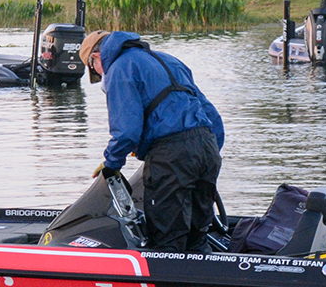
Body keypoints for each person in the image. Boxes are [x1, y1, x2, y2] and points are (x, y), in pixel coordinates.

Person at [76, 30, 225, 254]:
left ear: (96, 57)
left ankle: (166, 275)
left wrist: (112, 164)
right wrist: (204, 151)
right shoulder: (168, 60)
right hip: (208, 148)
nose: (99, 74)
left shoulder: (119, 68)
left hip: (171, 156)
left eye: (93, 69)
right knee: (198, 235)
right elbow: (212, 116)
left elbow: (126, 131)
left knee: (168, 239)